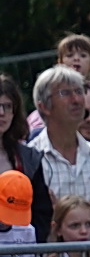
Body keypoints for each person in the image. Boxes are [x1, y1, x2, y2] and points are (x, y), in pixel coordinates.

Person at [27, 66, 90, 233]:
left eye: (79, 92)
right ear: (44, 107)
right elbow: (33, 221)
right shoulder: (29, 160)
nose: (77, 100)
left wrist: (67, 224)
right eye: (65, 93)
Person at [0, 75, 52, 241]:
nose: (1, 113)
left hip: (21, 255)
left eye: (7, 106)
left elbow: (42, 213)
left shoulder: (29, 158)